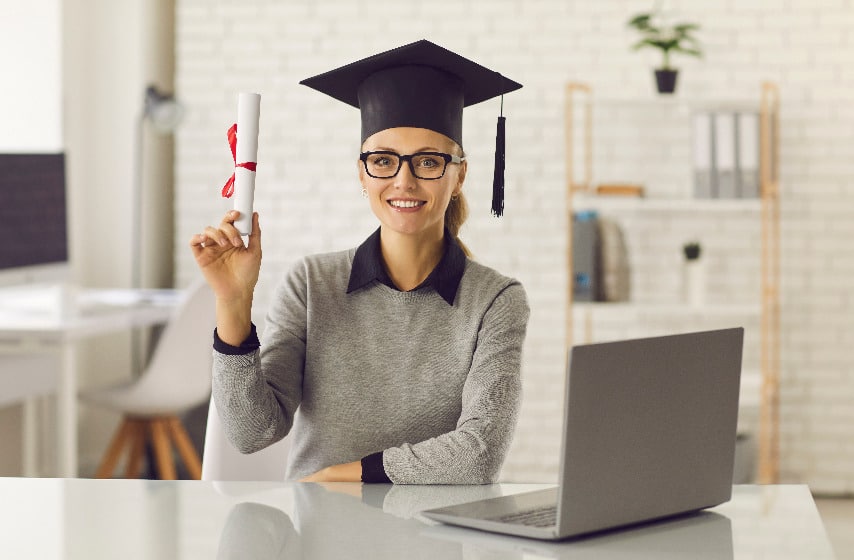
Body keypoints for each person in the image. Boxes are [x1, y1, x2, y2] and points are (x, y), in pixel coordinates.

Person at [190, 40, 529, 484]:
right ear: (362, 173)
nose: (403, 182)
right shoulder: (311, 283)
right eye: (383, 161)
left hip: (441, 538)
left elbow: (479, 453)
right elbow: (253, 433)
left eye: (428, 162)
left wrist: (344, 474)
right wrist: (233, 302)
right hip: (320, 533)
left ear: (459, 174)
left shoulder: (495, 300)